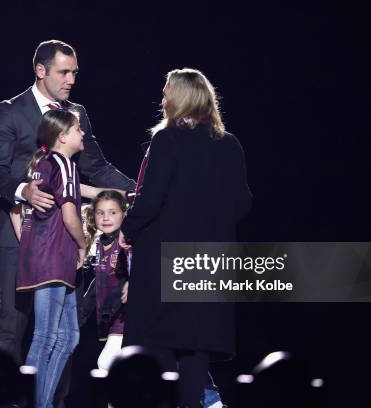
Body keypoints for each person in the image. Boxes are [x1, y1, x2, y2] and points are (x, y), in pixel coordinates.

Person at [0, 39, 135, 387]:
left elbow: (98, 168)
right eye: (63, 72)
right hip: (17, 232)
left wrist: (138, 190)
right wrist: (25, 191)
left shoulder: (77, 114)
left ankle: (52, 399)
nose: (71, 79)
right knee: (13, 324)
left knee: (61, 332)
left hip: (61, 240)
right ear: (41, 71)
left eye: (75, 73)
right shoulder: (9, 110)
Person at [119, 68, 252, 408]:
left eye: (166, 94)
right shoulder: (231, 144)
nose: (162, 100)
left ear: (179, 98)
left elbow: (151, 198)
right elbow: (242, 203)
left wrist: (128, 231)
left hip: (164, 259)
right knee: (195, 349)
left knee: (159, 344)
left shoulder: (168, 139)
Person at [15, 109, 85, 408]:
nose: (82, 133)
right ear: (63, 135)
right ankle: (30, 402)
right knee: (45, 336)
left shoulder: (41, 165)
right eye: (78, 128)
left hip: (43, 260)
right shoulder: (65, 164)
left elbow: (16, 211)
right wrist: (83, 244)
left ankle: (42, 404)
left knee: (69, 336)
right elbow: (70, 216)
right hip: (55, 259)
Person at [81, 190, 130, 371]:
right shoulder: (100, 243)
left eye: (113, 212)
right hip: (111, 322)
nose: (106, 217)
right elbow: (98, 283)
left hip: (126, 319)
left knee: (106, 364)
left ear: (124, 215)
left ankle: (210, 398)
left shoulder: (127, 241)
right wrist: (83, 312)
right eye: (101, 213)